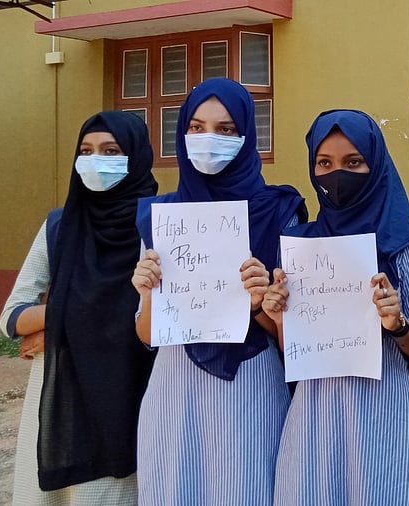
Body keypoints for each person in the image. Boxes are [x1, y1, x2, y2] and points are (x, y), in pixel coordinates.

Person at [130, 78, 307, 505]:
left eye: (226, 129)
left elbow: (297, 337)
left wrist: (259, 305)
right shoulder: (162, 218)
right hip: (174, 390)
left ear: (247, 136)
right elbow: (148, 334)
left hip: (250, 385)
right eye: (196, 127)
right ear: (181, 134)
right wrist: (150, 292)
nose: (209, 138)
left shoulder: (281, 211)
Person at [261, 109, 409, 504]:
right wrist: (274, 315)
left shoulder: (404, 244)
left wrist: (396, 324)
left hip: (382, 415)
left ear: (374, 165)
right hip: (312, 417)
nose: (336, 175)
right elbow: (293, 346)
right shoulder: (299, 246)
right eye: (325, 163)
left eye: (353, 162)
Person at [0, 111, 158, 505]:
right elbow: (11, 317)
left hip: (131, 397)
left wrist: (61, 320)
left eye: (110, 151)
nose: (95, 161)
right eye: (86, 151)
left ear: (136, 157)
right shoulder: (59, 226)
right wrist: (74, 315)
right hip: (64, 401)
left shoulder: (159, 224)